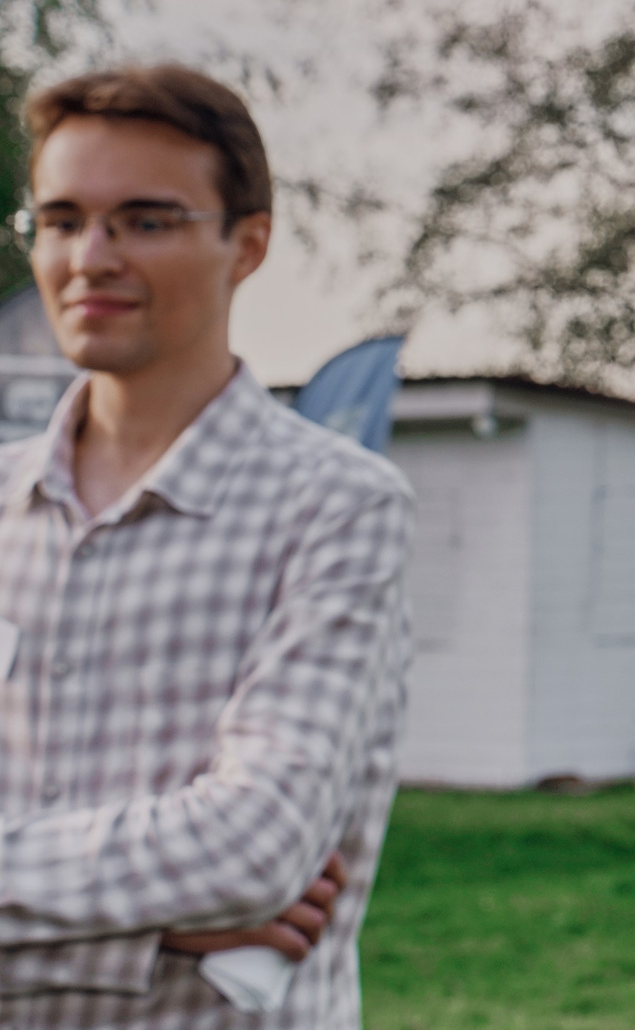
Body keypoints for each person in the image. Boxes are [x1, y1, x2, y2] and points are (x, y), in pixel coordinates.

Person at [0, 66, 411, 1028]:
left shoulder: (337, 507)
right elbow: (215, 875)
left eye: (145, 220)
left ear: (248, 243)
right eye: (60, 220)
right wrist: (146, 933)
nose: (90, 256)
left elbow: (253, 850)